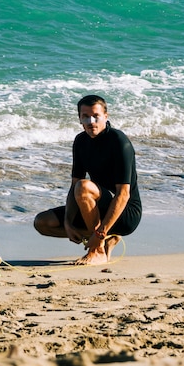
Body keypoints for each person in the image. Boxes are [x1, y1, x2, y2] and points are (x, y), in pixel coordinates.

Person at [34, 95, 142, 265]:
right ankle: (108, 240)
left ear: (105, 117)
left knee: (83, 187)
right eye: (85, 116)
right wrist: (68, 223)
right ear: (80, 119)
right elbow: (73, 186)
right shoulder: (80, 141)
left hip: (125, 213)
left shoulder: (119, 141)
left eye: (96, 116)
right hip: (95, 208)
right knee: (43, 222)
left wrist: (99, 233)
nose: (91, 121)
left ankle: (97, 249)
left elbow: (123, 195)